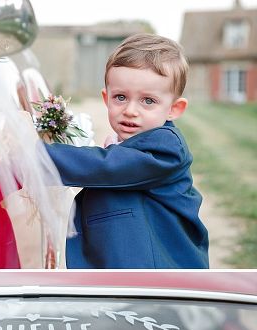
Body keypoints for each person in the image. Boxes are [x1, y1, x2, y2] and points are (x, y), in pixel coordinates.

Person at [45, 33, 209, 269]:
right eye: (120, 97)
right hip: (125, 271)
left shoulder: (167, 148)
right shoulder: (125, 145)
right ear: (106, 98)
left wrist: (35, 155)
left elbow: (104, 166)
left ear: (174, 109)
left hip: (158, 275)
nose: (131, 110)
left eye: (148, 101)